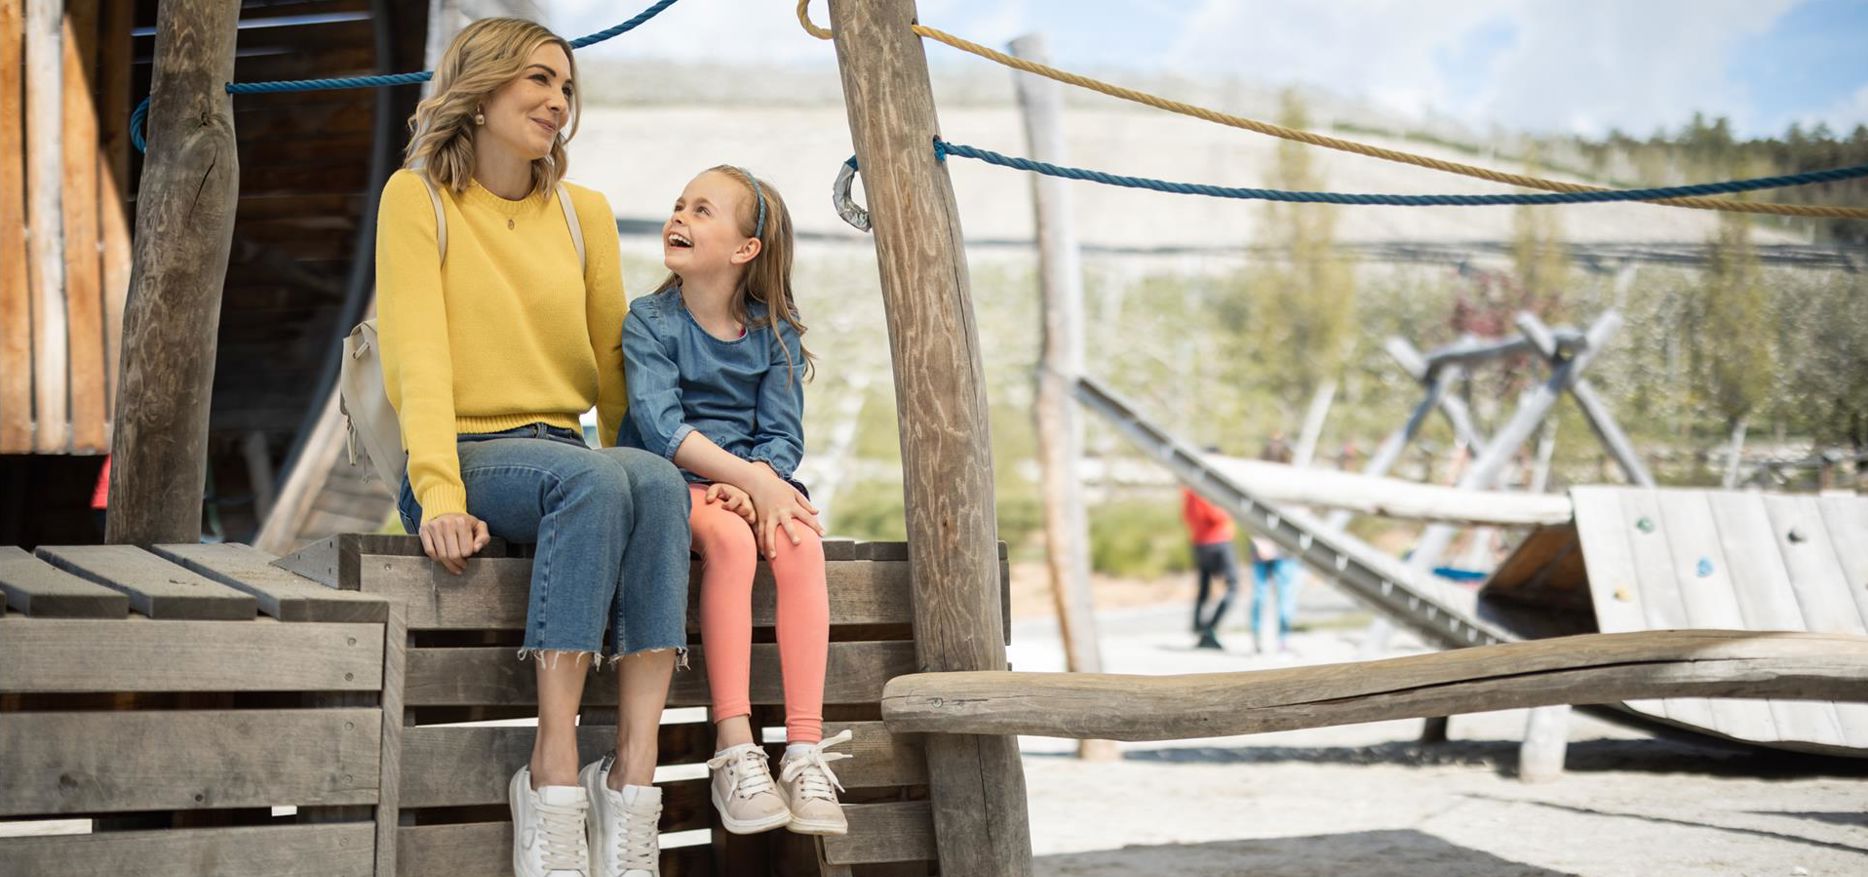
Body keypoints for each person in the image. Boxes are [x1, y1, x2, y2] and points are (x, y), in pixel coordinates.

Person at [375, 19, 689, 877]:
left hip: (570, 454)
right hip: (469, 454)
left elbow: (616, 372)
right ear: (481, 90)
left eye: (567, 89)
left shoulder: (581, 215)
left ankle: (631, 778)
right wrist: (439, 493)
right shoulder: (419, 200)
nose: (558, 102)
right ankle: (552, 773)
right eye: (539, 82)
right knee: (593, 481)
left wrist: (648, 478)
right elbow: (418, 357)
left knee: (652, 482)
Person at [619, 166, 851, 837]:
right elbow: (663, 429)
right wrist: (750, 483)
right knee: (728, 539)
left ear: (745, 248)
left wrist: (761, 479)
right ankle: (734, 744)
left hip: (753, 483)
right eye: (677, 204)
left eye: (702, 210)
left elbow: (783, 434)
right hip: (672, 481)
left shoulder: (772, 332)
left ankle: (804, 748)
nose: (679, 217)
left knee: (801, 541)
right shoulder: (650, 322)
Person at [1181, 451, 1239, 650]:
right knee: (1233, 586)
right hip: (1217, 542)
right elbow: (1215, 516)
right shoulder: (1204, 488)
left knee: (1205, 589)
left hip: (1200, 542)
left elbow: (1187, 516)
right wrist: (1229, 510)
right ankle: (1209, 628)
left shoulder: (1190, 490)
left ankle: (1200, 627)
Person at [1252, 435, 1301, 654]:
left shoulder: (1292, 481)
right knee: (1261, 596)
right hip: (1262, 546)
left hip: (1285, 548)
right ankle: (1260, 641)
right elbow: (1248, 515)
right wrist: (1260, 542)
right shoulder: (1257, 483)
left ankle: (1281, 640)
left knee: (1284, 596)